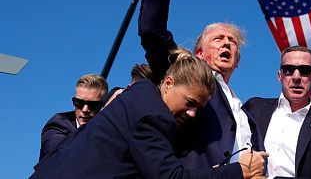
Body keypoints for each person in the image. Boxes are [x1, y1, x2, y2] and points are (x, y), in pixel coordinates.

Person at [31, 49, 268, 179]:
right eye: (189, 102)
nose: (193, 113)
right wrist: (239, 170)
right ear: (167, 83)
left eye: (199, 108)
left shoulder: (140, 93)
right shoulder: (151, 118)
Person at [139, 0, 265, 169]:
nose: (226, 44)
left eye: (232, 42)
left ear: (238, 61)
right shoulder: (187, 77)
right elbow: (151, 32)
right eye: (218, 39)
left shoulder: (245, 113)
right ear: (199, 53)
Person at [244, 46, 311, 178]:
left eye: (304, 70)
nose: (296, 77)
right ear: (279, 76)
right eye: (288, 70)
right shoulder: (254, 108)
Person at [38, 74, 107, 161]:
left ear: (104, 106)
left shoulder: (109, 129)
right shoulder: (58, 124)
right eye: (79, 103)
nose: (85, 110)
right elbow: (59, 156)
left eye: (93, 105)